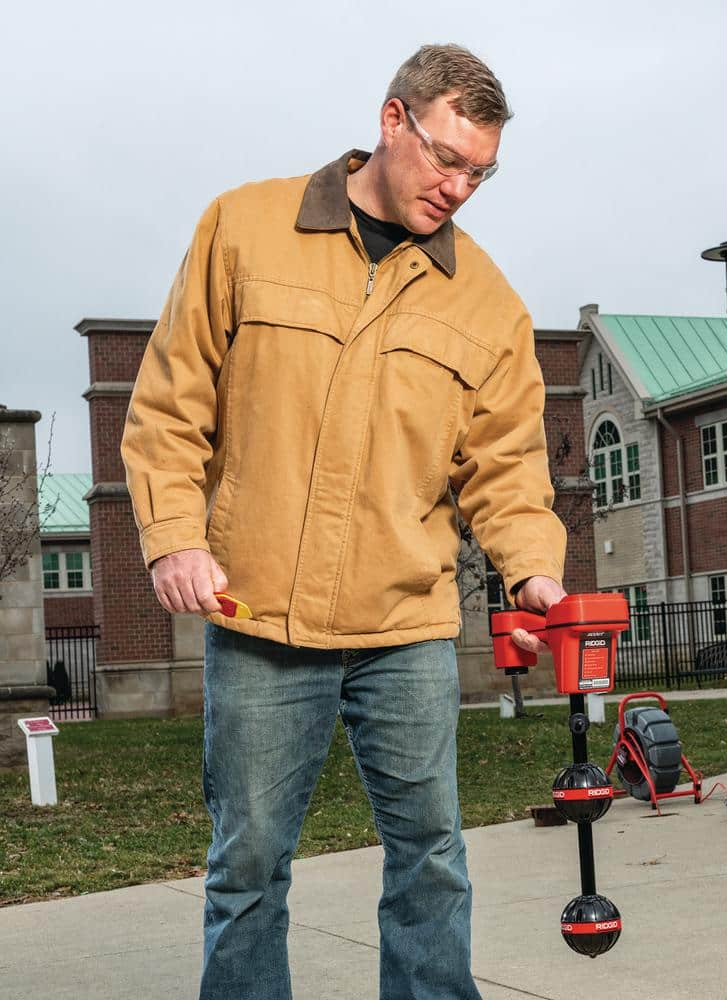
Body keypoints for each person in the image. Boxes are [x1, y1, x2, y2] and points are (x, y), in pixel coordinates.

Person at [121, 43, 567, 1000]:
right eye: (447, 158)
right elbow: (168, 405)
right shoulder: (245, 227)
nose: (460, 187)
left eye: (480, 172)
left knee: (431, 863)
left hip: (404, 624)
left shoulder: (487, 304)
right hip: (258, 615)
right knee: (246, 872)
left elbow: (509, 467)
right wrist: (175, 537)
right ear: (392, 120)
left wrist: (535, 570)